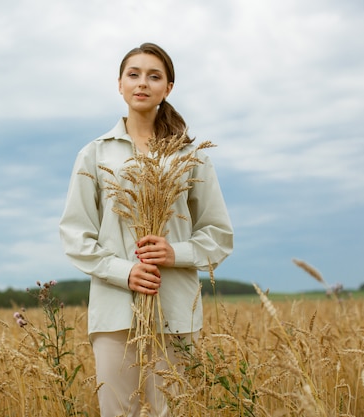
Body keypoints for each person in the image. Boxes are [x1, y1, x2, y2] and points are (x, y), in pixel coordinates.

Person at [59, 42, 233, 417]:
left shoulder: (191, 155)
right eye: (133, 75)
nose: (142, 83)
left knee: (173, 411)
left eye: (154, 76)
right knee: (119, 412)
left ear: (168, 87)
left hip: (175, 309)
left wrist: (175, 253)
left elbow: (219, 233)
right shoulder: (95, 154)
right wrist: (126, 272)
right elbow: (75, 235)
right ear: (119, 84)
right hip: (113, 311)